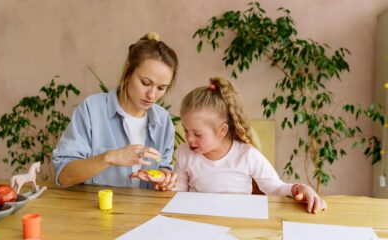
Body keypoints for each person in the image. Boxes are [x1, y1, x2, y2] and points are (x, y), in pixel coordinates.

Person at [133, 77, 327, 213]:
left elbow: (276, 188)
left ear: (222, 131)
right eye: (186, 130)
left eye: (197, 134)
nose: (189, 139)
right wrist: (164, 182)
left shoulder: (247, 155)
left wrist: (302, 189)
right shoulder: (185, 153)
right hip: (196, 223)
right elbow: (181, 191)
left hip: (237, 224)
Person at [52, 32, 178, 190]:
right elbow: (64, 176)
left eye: (161, 88)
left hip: (147, 213)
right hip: (96, 212)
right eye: (145, 83)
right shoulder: (92, 110)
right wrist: (110, 157)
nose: (152, 95)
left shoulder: (163, 120)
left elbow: (164, 167)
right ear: (128, 71)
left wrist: (165, 178)